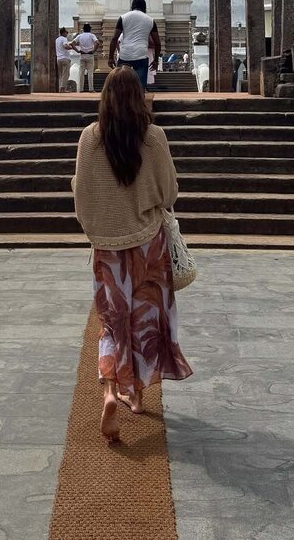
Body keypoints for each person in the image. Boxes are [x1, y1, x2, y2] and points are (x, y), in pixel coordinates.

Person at [72, 66, 193, 443]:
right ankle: (136, 395)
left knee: (112, 323)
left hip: (107, 246)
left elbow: (81, 195)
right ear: (139, 97)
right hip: (147, 244)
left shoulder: (89, 138)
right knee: (144, 321)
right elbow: (169, 192)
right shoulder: (153, 137)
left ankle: (110, 391)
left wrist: (96, 228)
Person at [108, 0, 161, 91]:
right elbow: (157, 43)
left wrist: (111, 57)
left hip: (125, 55)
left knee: (120, 87)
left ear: (132, 7)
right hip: (141, 55)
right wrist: (156, 60)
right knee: (139, 88)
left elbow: (114, 38)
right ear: (144, 8)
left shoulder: (123, 17)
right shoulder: (150, 20)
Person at [72, 22, 99, 92]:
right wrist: (93, 51)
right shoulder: (92, 35)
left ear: (83, 29)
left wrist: (77, 51)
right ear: (90, 29)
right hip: (90, 55)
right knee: (90, 73)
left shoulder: (80, 36)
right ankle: (91, 89)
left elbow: (72, 43)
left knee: (81, 73)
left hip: (82, 54)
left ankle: (81, 89)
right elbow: (97, 42)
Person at [55, 27, 76, 92]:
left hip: (58, 59)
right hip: (65, 58)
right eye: (66, 32)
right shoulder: (64, 39)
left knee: (61, 74)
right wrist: (71, 47)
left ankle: (60, 88)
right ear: (63, 33)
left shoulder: (57, 39)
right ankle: (63, 88)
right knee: (66, 74)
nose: (67, 33)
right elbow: (65, 46)